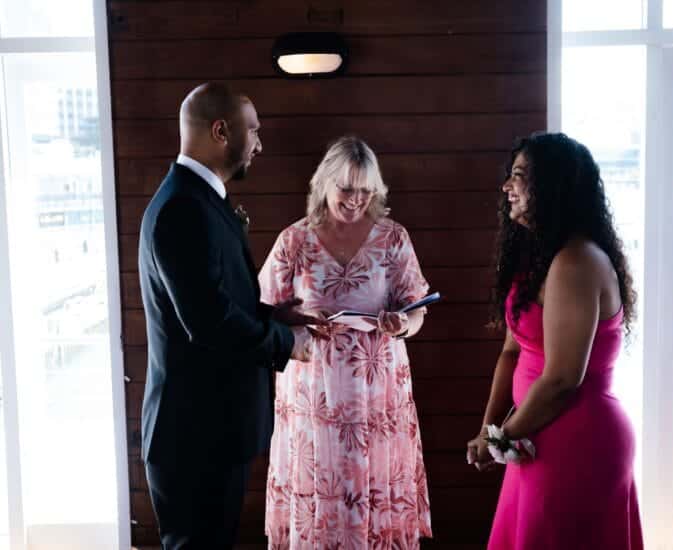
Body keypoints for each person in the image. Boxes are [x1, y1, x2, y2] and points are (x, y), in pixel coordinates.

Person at [138, 82, 321, 549]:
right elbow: (209, 323)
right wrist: (285, 343)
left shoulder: (200, 199)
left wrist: (274, 316)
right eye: (253, 130)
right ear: (221, 131)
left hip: (210, 431)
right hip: (192, 437)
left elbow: (216, 300)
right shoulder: (182, 208)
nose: (259, 143)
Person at [466, 133, 644, 549]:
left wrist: (499, 440)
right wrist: (490, 430)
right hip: (533, 435)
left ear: (553, 186)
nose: (507, 187)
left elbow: (563, 378)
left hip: (575, 442)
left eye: (520, 177)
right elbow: (512, 351)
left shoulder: (576, 261)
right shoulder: (542, 259)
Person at [259, 136, 433, 548]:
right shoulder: (294, 241)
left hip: (377, 394)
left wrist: (402, 323)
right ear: (325, 183)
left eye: (365, 190)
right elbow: (263, 310)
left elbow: (418, 309)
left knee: (370, 486)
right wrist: (297, 317)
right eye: (346, 188)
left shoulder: (393, 238)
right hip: (313, 393)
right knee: (321, 481)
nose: (356, 199)